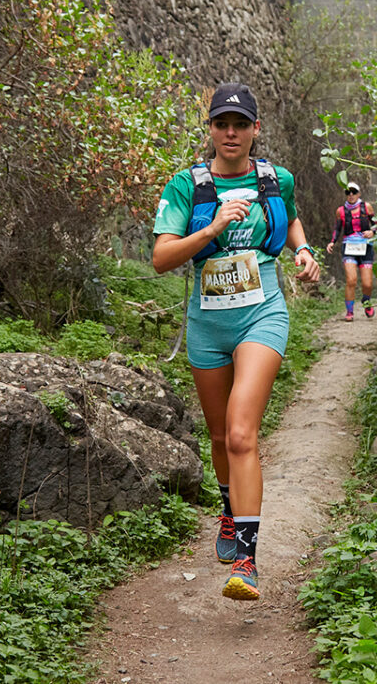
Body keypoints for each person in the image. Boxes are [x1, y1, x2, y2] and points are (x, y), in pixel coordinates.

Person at [152, 83, 320, 601]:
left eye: (240, 124)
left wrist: (304, 249)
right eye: (222, 123)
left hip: (262, 315)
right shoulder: (186, 186)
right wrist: (213, 228)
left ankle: (245, 560)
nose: (231, 133)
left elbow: (288, 216)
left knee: (243, 434)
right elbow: (161, 258)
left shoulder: (277, 179)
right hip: (207, 323)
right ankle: (229, 510)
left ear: (254, 130)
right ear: (210, 129)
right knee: (221, 436)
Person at [326, 181, 377, 321]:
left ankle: (366, 302)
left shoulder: (367, 207)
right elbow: (337, 229)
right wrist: (332, 242)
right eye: (348, 192)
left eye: (354, 192)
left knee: (367, 283)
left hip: (365, 246)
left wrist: (372, 232)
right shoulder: (340, 211)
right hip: (349, 246)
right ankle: (349, 312)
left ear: (359, 194)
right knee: (351, 280)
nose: (351, 195)